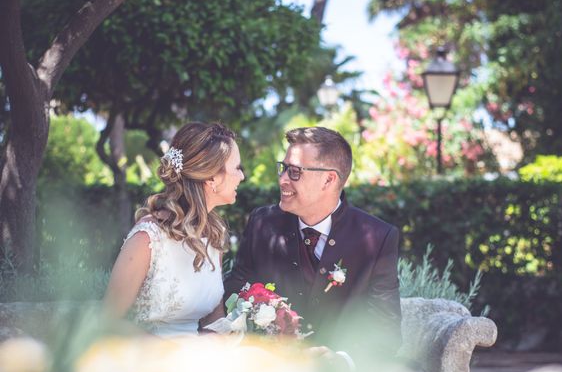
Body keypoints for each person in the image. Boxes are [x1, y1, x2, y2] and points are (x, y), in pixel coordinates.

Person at [225, 126, 402, 358]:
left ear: (328, 179)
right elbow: (235, 290)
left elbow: (385, 329)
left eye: (295, 172)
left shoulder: (377, 237)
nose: (282, 179)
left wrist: (341, 360)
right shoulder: (262, 223)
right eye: (283, 169)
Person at [102, 122, 244, 337]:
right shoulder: (147, 238)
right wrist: (175, 355)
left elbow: (213, 320)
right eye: (237, 168)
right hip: (149, 362)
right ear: (212, 177)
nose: (242, 176)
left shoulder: (213, 235)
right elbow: (108, 323)